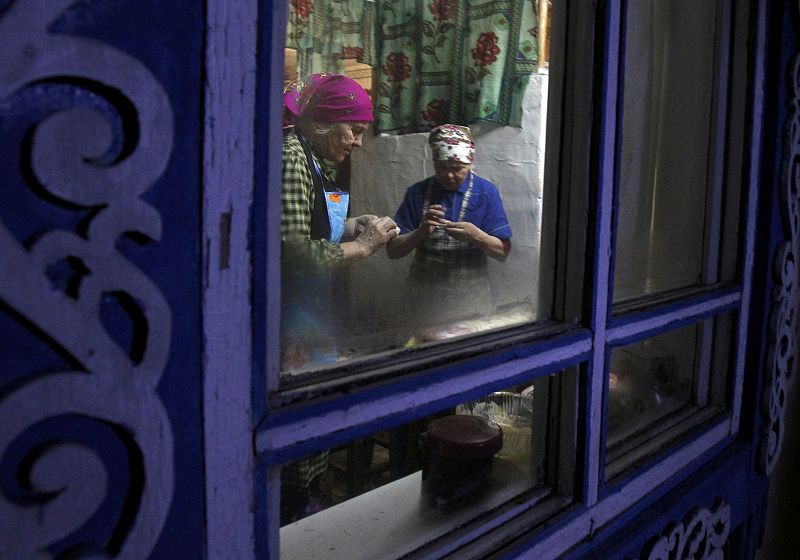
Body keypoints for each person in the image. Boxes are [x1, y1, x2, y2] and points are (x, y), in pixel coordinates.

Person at [280, 73, 398, 523]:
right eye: (356, 131)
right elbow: (292, 252)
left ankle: (303, 499)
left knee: (314, 418)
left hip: (312, 316)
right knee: (295, 428)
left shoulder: (315, 161)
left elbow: (318, 229)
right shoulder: (293, 159)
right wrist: (364, 247)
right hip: (291, 317)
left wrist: (357, 225)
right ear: (328, 124)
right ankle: (288, 516)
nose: (360, 144)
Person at [386, 124, 512, 331]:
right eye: (442, 168)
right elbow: (393, 251)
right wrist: (420, 232)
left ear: (469, 163)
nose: (449, 175)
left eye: (457, 169)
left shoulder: (486, 193)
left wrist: (476, 236)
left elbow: (503, 251)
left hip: (469, 302)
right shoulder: (417, 193)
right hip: (422, 300)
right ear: (434, 163)